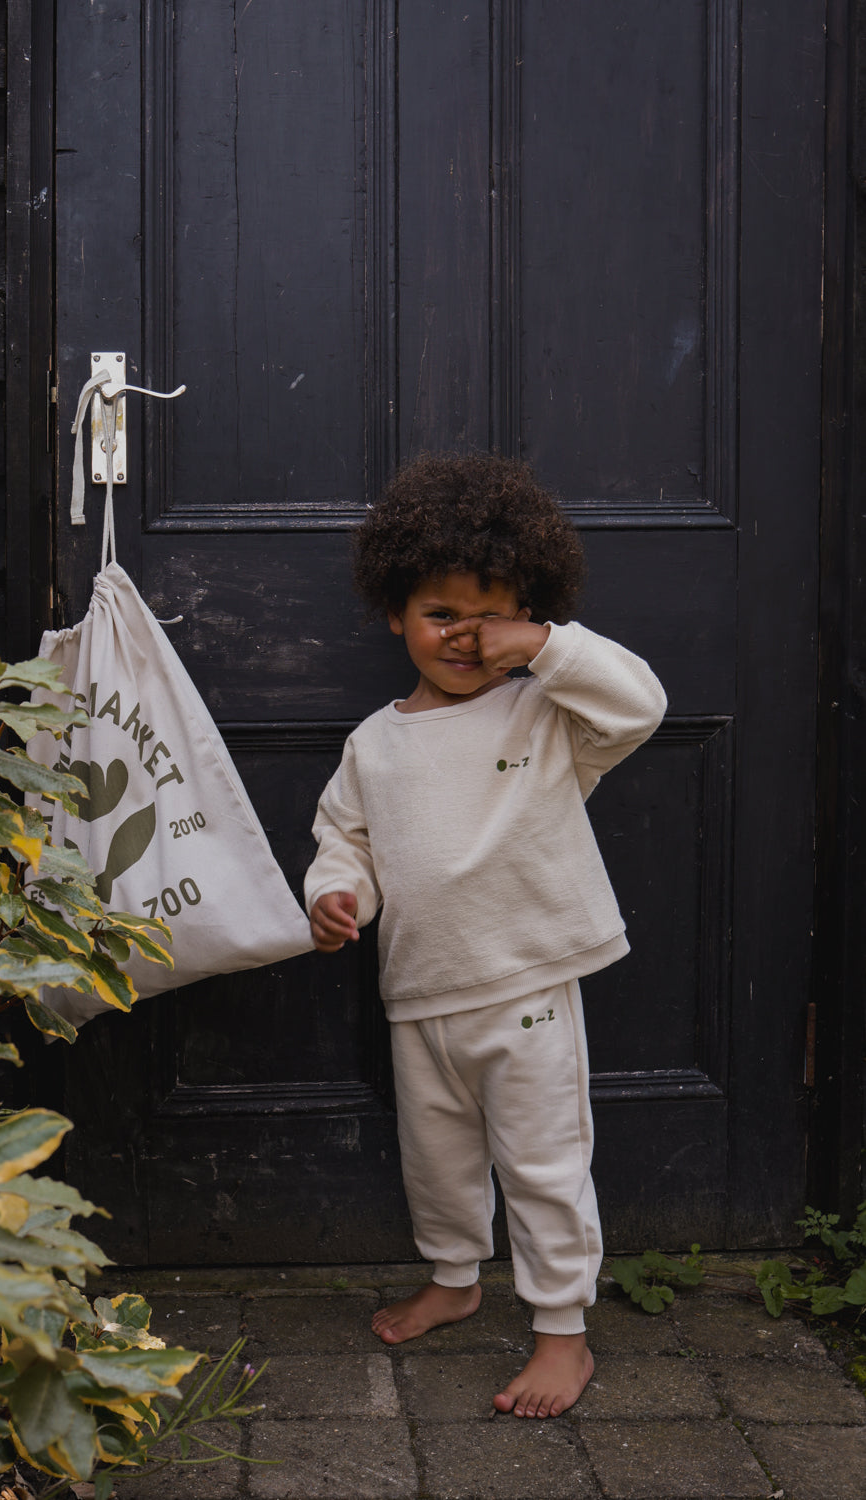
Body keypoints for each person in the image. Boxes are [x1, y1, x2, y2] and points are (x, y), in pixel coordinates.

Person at [304, 452, 666, 1419]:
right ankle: (456, 1279)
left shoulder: (548, 710)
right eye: (439, 614)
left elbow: (641, 702)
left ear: (526, 614)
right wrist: (337, 895)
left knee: (543, 1163)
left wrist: (542, 646)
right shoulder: (373, 743)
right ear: (394, 612)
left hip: (527, 984)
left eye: (490, 614)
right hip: (421, 989)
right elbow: (345, 837)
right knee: (439, 1160)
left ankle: (561, 1334)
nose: (463, 637)